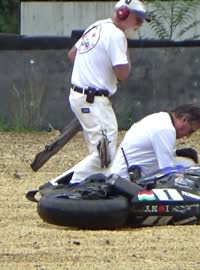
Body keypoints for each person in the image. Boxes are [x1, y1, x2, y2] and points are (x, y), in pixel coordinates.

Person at [54, 0, 150, 184]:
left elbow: (73, 54)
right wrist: (124, 49)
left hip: (81, 96)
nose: (139, 25)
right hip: (94, 100)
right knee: (104, 156)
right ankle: (57, 185)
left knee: (98, 151)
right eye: (137, 20)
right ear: (123, 14)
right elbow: (123, 73)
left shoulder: (96, 25)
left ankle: (91, 190)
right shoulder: (116, 36)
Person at [109, 104, 200, 180]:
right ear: (184, 119)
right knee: (188, 166)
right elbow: (167, 171)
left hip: (124, 171)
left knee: (186, 162)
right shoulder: (165, 129)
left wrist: (178, 153)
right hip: (126, 177)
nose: (187, 136)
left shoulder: (161, 118)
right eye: (190, 131)